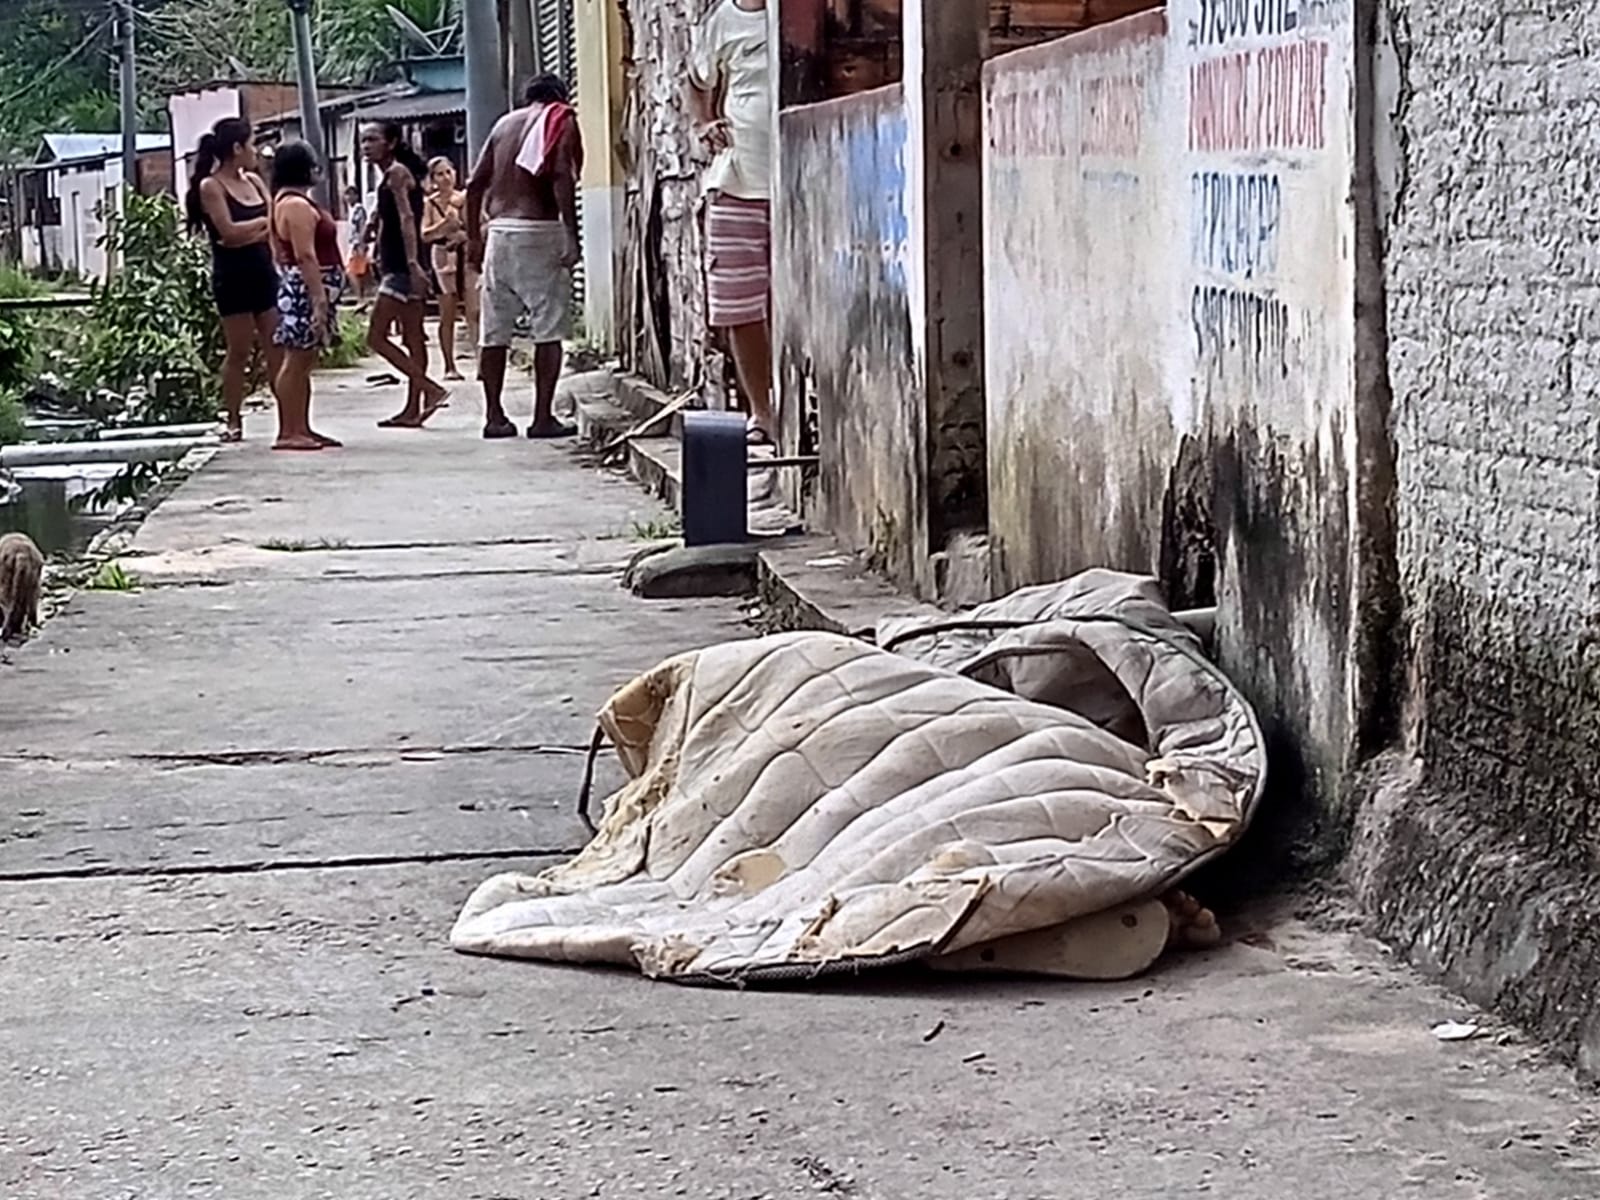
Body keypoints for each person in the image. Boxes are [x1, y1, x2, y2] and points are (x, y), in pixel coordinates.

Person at [466, 74, 582, 440]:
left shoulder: (504, 125)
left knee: (494, 331)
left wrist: (473, 238)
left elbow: (473, 185)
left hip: (499, 232)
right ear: (559, 97)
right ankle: (542, 417)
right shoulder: (560, 118)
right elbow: (561, 174)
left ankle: (494, 416)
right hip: (539, 230)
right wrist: (571, 233)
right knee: (547, 328)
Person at [689, 0, 776, 446]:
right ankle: (761, 410)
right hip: (738, 176)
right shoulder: (724, 18)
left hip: (799, 175)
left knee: (790, 301)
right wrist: (705, 123)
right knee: (740, 306)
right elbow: (697, 80)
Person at [185, 117, 280, 443]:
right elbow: (227, 233)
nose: (256, 151)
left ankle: (288, 417)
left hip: (264, 270)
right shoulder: (211, 186)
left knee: (276, 345)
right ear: (236, 148)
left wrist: (253, 229)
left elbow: (273, 222)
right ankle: (233, 419)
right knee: (239, 349)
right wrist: (260, 226)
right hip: (233, 276)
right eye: (252, 143)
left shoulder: (254, 181)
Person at [361, 120, 449, 428]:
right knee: (413, 337)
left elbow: (408, 218)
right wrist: (372, 224)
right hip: (404, 264)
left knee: (376, 337)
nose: (366, 146)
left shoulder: (397, 173)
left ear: (392, 141)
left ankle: (429, 389)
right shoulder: (391, 175)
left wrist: (412, 264)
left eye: (372, 140)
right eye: (363, 141)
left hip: (401, 266)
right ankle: (413, 408)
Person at [268, 141, 345, 452]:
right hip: (307, 288)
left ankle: (302, 426)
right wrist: (318, 299)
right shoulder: (296, 207)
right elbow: (305, 256)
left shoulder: (292, 202)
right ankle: (288, 429)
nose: (317, 171)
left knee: (305, 359)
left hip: (312, 285)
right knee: (296, 358)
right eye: (313, 165)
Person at [423, 157, 481, 382]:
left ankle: (481, 363)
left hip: (466, 256)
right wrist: (443, 226)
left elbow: (480, 225)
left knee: (473, 312)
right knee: (447, 314)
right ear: (433, 179)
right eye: (439, 174)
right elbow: (425, 234)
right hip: (442, 259)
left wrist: (464, 234)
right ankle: (449, 366)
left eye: (448, 172)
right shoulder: (430, 203)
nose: (445, 178)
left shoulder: (465, 199)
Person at [344, 185, 373, 302]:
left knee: (351, 271)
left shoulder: (358, 210)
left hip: (357, 244)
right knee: (361, 271)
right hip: (353, 243)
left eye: (351, 195)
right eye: (346, 195)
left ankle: (360, 298)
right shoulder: (351, 210)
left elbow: (362, 227)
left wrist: (361, 243)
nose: (348, 198)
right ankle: (364, 295)